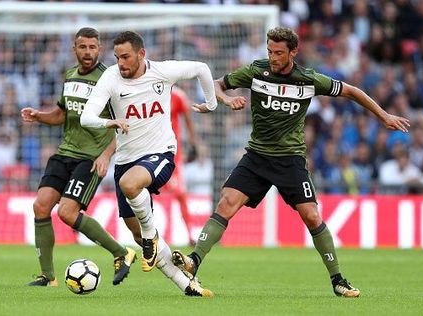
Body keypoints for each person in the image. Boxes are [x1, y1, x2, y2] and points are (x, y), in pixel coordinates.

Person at [172, 26, 410, 298]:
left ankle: (338, 280)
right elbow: (215, 83)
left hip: (290, 160)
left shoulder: (309, 80)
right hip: (257, 156)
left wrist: (383, 116)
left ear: (293, 52)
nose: (273, 57)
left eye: (279, 53)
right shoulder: (256, 71)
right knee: (226, 201)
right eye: (270, 51)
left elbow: (352, 91)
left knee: (311, 216)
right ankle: (194, 261)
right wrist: (225, 99)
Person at [81, 30, 217, 297]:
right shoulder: (111, 78)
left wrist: (211, 103)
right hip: (126, 159)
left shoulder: (163, 72)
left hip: (161, 153)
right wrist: (111, 122)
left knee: (130, 187)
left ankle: (151, 236)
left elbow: (202, 68)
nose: (121, 63)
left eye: (126, 57)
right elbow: (87, 117)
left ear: (142, 54)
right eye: (117, 57)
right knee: (137, 236)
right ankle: (186, 284)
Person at [21, 27, 136, 287]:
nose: (87, 52)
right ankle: (48, 277)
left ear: (100, 49)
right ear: (74, 49)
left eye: (92, 47)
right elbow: (62, 114)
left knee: (66, 212)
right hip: (65, 153)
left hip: (90, 158)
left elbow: (126, 124)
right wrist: (40, 116)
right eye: (82, 47)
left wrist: (107, 155)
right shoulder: (70, 75)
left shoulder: (110, 80)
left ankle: (121, 252)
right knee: (40, 206)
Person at [162, 86, 198, 246]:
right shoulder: (147, 90)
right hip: (149, 150)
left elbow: (188, 120)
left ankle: (190, 234)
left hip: (171, 154)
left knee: (180, 194)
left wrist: (193, 145)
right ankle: (145, 233)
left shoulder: (178, 95)